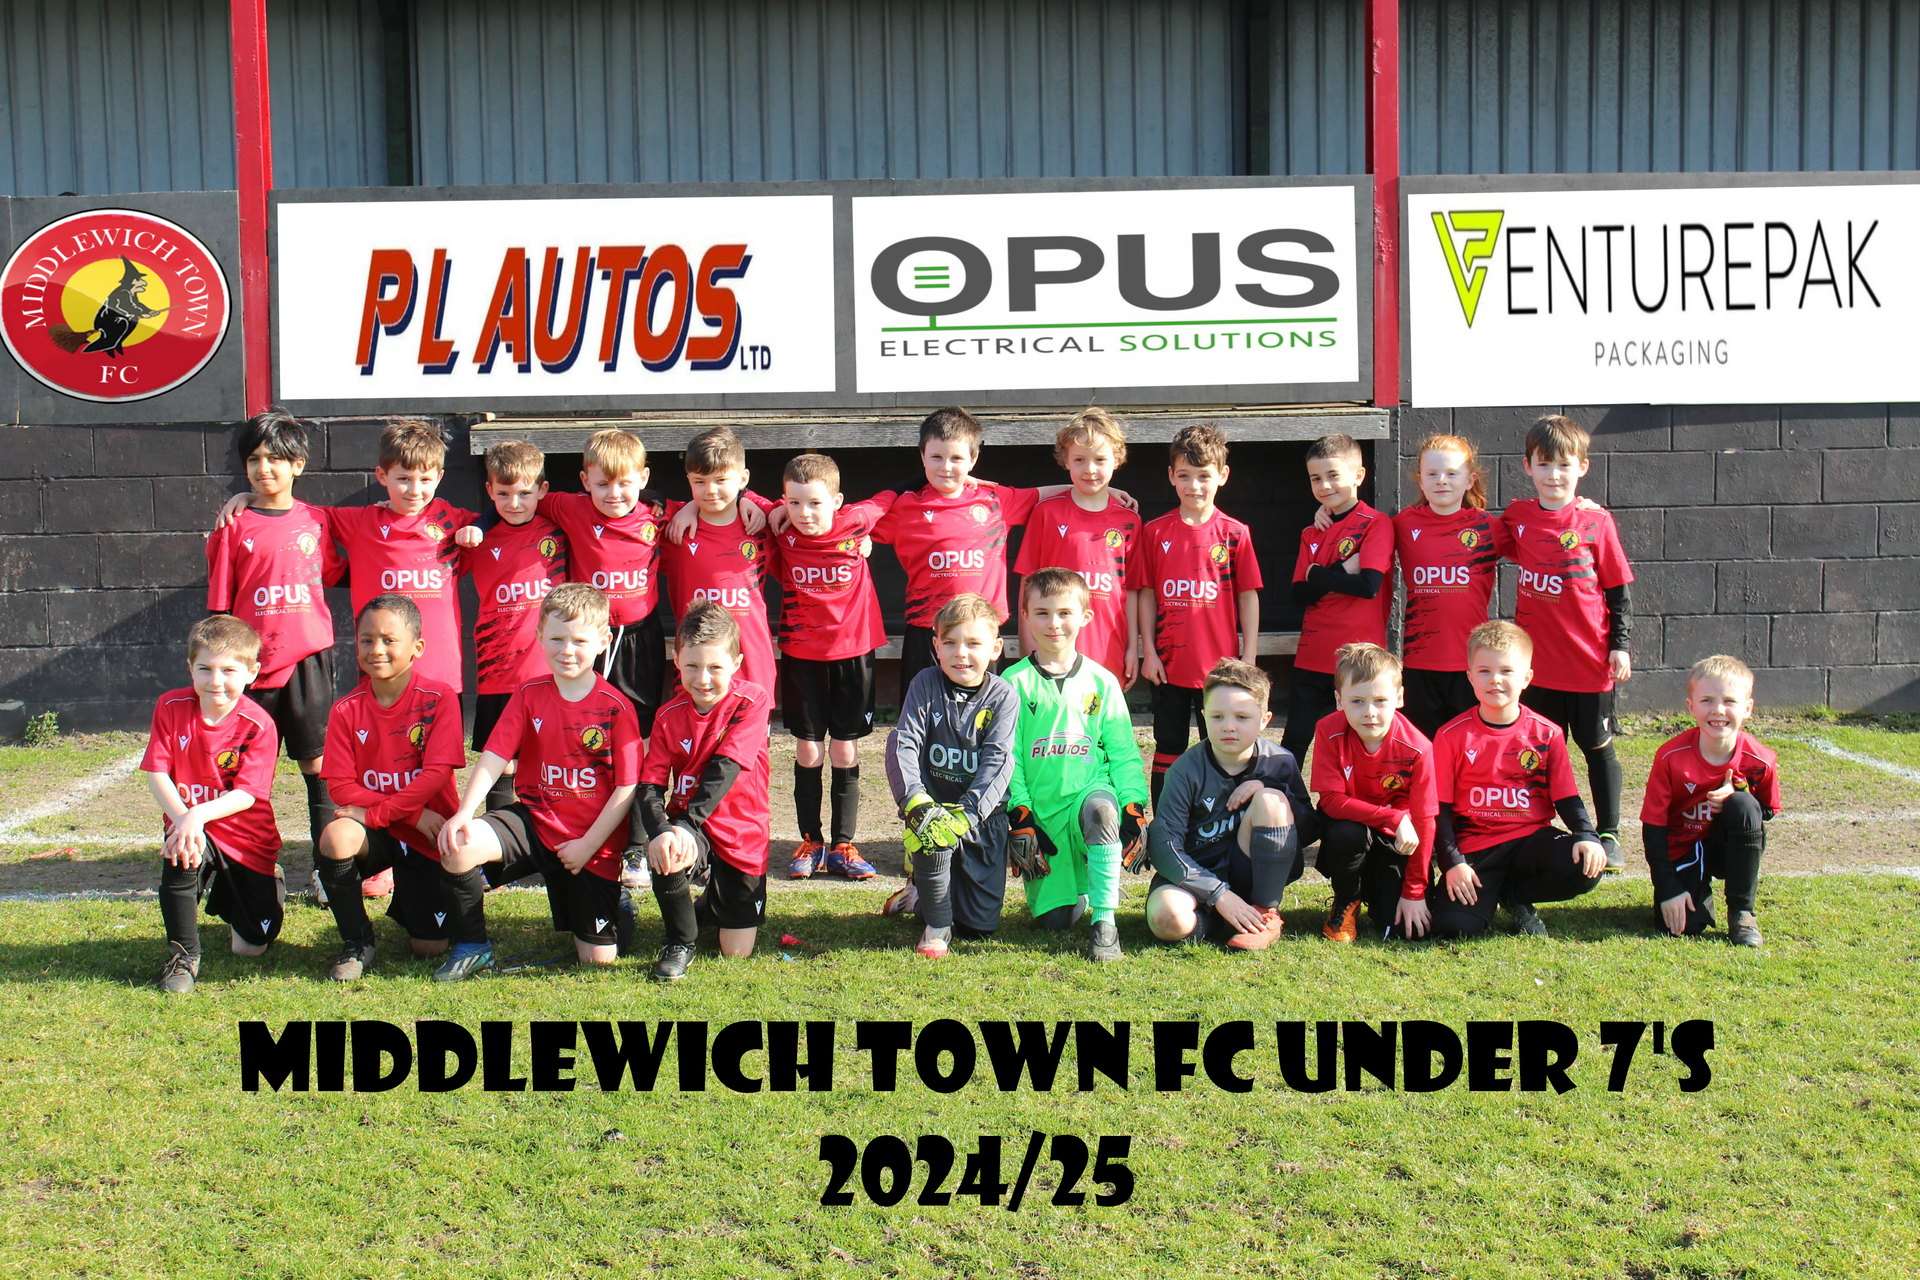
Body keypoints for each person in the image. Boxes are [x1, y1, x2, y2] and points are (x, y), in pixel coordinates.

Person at [434, 585, 641, 980]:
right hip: (535, 822)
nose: (567, 650)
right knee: (459, 845)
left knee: (597, 961)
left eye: (580, 641)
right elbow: (495, 755)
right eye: (557, 638)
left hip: (588, 843)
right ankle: (473, 947)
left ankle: (618, 905)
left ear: (603, 641)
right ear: (539, 636)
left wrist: (588, 845)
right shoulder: (529, 693)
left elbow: (626, 788)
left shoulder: (617, 708)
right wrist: (464, 812)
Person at [217, 419, 475, 697]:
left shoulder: (452, 520)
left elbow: (502, 520)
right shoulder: (361, 522)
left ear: (439, 477)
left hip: (443, 671)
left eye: (424, 480)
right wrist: (251, 498)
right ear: (382, 476)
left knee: (442, 725)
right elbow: (299, 515)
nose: (414, 490)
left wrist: (479, 528)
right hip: (380, 668)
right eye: (403, 479)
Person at [203, 408, 342, 889]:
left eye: (276, 459)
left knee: (318, 766)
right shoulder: (233, 525)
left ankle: (328, 870)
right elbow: (220, 607)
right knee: (243, 769)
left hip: (308, 661)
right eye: (254, 460)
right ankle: (250, 867)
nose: (264, 469)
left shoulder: (319, 521)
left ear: (298, 464)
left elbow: (335, 571)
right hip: (251, 666)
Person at [872, 407, 1105, 692]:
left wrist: (1100, 492)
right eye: (936, 457)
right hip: (928, 633)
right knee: (923, 713)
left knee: (986, 714)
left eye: (956, 458)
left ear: (973, 459)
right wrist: (863, 538)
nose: (946, 467)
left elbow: (1044, 494)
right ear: (922, 456)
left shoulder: (994, 500)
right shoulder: (905, 507)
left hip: (982, 634)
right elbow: (849, 524)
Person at [1501, 414, 1635, 872]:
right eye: (1544, 464)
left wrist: (1620, 644)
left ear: (1582, 467)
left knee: (1596, 747)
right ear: (1527, 467)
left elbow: (1618, 591)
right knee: (1537, 750)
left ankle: (1610, 833)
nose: (1553, 474)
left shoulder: (1596, 521)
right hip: (1537, 667)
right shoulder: (1517, 517)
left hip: (1588, 662)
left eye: (1564, 465)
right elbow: (1480, 533)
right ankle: (1533, 827)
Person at [1003, 567, 1150, 962]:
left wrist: (1133, 804)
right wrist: (1020, 813)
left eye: (1065, 613)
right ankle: (1090, 884)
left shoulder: (1103, 682)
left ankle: (1105, 924)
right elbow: (1009, 758)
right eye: (1043, 613)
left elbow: (1123, 753)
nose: (1054, 624)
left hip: (1088, 793)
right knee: (1057, 920)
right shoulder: (1012, 682)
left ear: (1085, 616)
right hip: (1043, 815)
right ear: (1026, 616)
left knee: (1102, 810)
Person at [315, 596, 465, 980]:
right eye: (366, 640)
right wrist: (410, 815)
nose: (376, 649)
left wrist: (390, 813)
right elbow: (340, 787)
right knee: (336, 837)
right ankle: (358, 942)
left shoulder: (439, 698)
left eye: (388, 640)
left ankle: (418, 896)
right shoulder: (345, 709)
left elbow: (435, 775)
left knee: (429, 948)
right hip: (395, 826)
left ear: (418, 647)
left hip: (429, 834)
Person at [1428, 621, 1608, 939]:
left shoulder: (1547, 733)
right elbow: (1438, 809)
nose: (1495, 679)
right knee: (1454, 927)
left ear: (1526, 678)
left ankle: (1515, 894)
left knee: (1584, 865)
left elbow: (1566, 796)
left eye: (1506, 671)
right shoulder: (1450, 735)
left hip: (1530, 840)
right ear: (1470, 677)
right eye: (1484, 671)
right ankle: (1490, 891)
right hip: (1476, 846)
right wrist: (1453, 863)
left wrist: (1587, 835)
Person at [766, 453, 896, 881]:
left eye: (815, 503)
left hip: (853, 654)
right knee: (808, 749)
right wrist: (772, 508)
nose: (804, 513)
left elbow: (894, 494)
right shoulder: (782, 531)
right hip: (802, 654)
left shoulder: (857, 523)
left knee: (844, 749)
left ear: (838, 501)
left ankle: (843, 844)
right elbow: (737, 493)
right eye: (794, 503)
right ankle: (811, 840)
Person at [140, 616, 285, 995]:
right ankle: (184, 957)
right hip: (191, 826)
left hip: (245, 837)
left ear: (252, 673)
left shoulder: (259, 724)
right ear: (190, 668)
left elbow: (247, 795)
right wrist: (183, 822)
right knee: (181, 850)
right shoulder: (170, 705)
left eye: (228, 670)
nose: (215, 680)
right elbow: (157, 773)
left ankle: (270, 884)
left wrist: (196, 815)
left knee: (250, 947)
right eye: (205, 668)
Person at [635, 602, 776, 981]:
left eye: (715, 667)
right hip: (690, 825)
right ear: (676, 660)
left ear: (736, 663)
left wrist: (686, 824)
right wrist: (664, 831)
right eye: (692, 666)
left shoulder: (752, 701)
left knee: (736, 951)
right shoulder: (667, 715)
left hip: (740, 830)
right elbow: (648, 787)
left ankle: (712, 900)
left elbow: (723, 771)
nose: (703, 678)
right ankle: (680, 941)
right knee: (668, 850)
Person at [1128, 423, 1262, 806]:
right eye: (1184, 475)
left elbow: (1248, 596)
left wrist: (1249, 656)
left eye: (1204, 476)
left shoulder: (1235, 533)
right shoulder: (1155, 532)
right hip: (1168, 665)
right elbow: (1146, 595)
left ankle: (1219, 820)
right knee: (1168, 744)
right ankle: (1164, 822)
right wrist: (1149, 652)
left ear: (1222, 475)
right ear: (1171, 476)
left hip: (1220, 670)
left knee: (1220, 745)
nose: (1194, 485)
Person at [883, 593, 1020, 957]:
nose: (961, 653)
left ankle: (919, 893)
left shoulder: (1004, 695)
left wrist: (969, 813)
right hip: (933, 813)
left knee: (978, 927)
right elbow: (905, 744)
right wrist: (916, 802)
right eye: (950, 643)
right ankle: (936, 925)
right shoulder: (924, 683)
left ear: (995, 649)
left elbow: (998, 760)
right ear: (936, 647)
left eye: (973, 643)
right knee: (933, 831)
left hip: (981, 819)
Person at [1143, 658, 1311, 952]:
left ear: (1265, 720)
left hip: (1251, 876)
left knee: (1272, 800)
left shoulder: (1280, 762)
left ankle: (1264, 913)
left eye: (1242, 717)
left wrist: (1271, 787)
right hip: (1198, 878)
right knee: (1166, 918)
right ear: (1204, 716)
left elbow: (1308, 829)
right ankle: (1222, 919)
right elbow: (1163, 845)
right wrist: (1218, 894)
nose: (1228, 727)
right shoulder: (1184, 770)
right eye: (1218, 717)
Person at [456, 440, 569, 826]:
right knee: (502, 762)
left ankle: (553, 835)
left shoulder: (560, 531)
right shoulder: (475, 537)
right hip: (498, 669)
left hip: (552, 670)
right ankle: (498, 842)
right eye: (503, 494)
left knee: (553, 759)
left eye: (524, 493)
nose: (515, 503)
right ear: (489, 491)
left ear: (542, 489)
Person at [1641, 654, 1780, 947]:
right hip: (1683, 846)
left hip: (1726, 846)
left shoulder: (1760, 760)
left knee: (1743, 806)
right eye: (1707, 701)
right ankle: (1696, 892)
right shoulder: (1670, 757)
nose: (1718, 710)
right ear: (1691, 706)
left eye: (1729, 701)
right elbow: (1653, 828)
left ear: (1748, 708)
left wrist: (1738, 793)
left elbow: (1766, 810)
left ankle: (1742, 912)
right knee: (1684, 928)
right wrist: (1667, 887)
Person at [1310, 643, 1438, 943]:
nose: (1369, 712)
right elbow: (1331, 801)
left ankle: (1381, 891)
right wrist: (1394, 817)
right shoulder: (1328, 730)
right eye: (1357, 701)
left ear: (1399, 698)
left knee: (1407, 932)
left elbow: (1425, 821)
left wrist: (1414, 892)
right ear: (1339, 700)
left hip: (1397, 840)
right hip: (1354, 831)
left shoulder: (1419, 747)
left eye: (1380, 701)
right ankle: (1347, 899)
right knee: (1346, 832)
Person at [1283, 433, 1392, 773]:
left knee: (1356, 742)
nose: (1325, 485)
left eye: (1333, 475)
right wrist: (1341, 569)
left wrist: (1317, 574)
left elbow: (1368, 586)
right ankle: (1284, 800)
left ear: (1358, 475)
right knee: (1295, 741)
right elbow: (1299, 594)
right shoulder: (1311, 533)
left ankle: (1349, 802)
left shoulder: (1375, 524)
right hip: (1313, 654)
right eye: (1316, 478)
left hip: (1358, 658)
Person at [1013, 407, 1142, 685]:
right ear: (1066, 461)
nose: (1090, 469)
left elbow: (1130, 591)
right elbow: (1027, 583)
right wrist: (1027, 647)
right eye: (1080, 459)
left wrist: (1133, 647)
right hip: (1051, 651)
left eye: (1100, 459)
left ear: (1117, 459)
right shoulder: (1046, 513)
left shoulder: (1130, 521)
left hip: (1108, 650)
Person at [1391, 433, 1502, 738]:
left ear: (1469, 480)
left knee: (1469, 745)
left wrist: (1580, 508)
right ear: (1420, 480)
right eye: (1432, 473)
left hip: (1471, 661)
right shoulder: (1403, 524)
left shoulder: (1489, 527)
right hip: (1420, 660)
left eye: (1452, 473)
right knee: (1424, 747)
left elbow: (1538, 535)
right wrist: (1327, 512)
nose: (1441, 480)